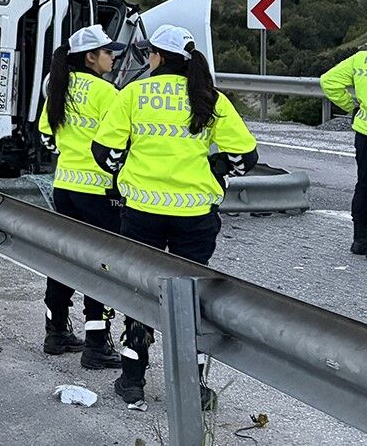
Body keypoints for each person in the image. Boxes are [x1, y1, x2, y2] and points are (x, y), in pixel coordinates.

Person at [92, 24, 257, 411]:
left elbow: (105, 152)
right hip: (195, 216)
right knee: (191, 297)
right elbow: (245, 157)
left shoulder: (133, 93)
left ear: (157, 56)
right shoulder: (209, 97)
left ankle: (132, 379)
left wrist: (123, 173)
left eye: (149, 53)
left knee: (141, 292)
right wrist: (215, 168)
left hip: (142, 213)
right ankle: (192, 385)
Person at [36, 24, 124, 369]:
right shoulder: (108, 93)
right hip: (99, 191)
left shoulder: (60, 87)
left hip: (65, 187)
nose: (113, 56)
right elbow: (120, 143)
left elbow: (46, 137)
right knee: (100, 264)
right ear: (91, 57)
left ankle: (55, 331)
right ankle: (97, 344)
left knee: (64, 258)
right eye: (107, 52)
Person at [319, 20, 367, 263]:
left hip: (365, 133)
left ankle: (360, 238)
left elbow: (328, 81)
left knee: (365, 184)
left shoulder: (363, 58)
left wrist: (352, 107)